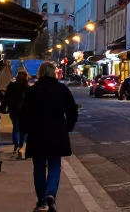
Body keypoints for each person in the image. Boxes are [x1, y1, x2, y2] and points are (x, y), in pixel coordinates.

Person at [22, 61, 78, 212]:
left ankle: (41, 200)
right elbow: (72, 110)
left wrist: (25, 130)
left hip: (37, 134)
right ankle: (51, 193)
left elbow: (25, 113)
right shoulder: (61, 89)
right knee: (54, 165)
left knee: (39, 166)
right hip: (56, 133)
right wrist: (68, 127)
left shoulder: (33, 91)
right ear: (54, 72)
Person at [0, 69, 31, 159]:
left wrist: (3, 108)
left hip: (13, 110)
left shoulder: (11, 86)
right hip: (25, 111)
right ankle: (21, 145)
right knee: (23, 129)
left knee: (16, 127)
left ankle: (16, 145)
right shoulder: (27, 88)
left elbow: (6, 98)